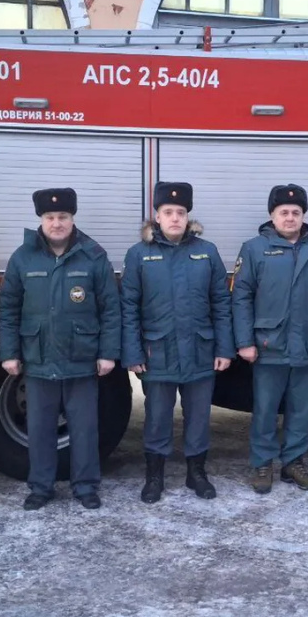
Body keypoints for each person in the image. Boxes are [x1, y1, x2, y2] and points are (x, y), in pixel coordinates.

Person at [0, 188, 121, 511]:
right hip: (38, 360)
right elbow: (8, 309)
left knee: (84, 429)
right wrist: (9, 353)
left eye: (63, 216)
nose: (56, 223)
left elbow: (110, 308)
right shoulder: (23, 257)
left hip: (81, 359)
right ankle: (41, 487)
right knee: (40, 430)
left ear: (72, 218)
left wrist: (108, 353)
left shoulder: (93, 255)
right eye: (50, 217)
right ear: (41, 219)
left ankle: (85, 486)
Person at [121, 182, 234, 503]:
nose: (174, 218)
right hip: (157, 353)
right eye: (168, 212)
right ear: (157, 216)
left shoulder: (207, 252)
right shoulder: (139, 254)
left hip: (200, 351)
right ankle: (154, 476)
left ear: (188, 217)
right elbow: (128, 306)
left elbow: (221, 303)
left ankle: (196, 473)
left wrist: (225, 348)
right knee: (157, 417)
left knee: (198, 417)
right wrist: (132, 352)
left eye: (180, 212)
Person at [231, 184, 308, 494]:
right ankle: (262, 463)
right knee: (265, 409)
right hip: (269, 344)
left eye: (296, 212)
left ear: (303, 215)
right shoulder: (254, 249)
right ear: (272, 215)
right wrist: (244, 341)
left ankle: (294, 462)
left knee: (301, 409)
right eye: (284, 212)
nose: (290, 217)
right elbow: (241, 298)